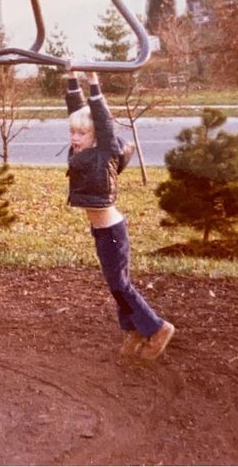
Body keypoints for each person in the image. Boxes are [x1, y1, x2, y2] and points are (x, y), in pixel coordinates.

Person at [65, 70, 175, 360]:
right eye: (72, 132)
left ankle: (157, 327)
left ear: (97, 136)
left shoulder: (105, 153)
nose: (75, 138)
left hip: (113, 232)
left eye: (81, 133)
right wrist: (71, 80)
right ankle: (133, 330)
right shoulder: (80, 152)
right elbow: (76, 112)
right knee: (115, 285)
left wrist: (93, 83)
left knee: (121, 284)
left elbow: (102, 121)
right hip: (101, 231)